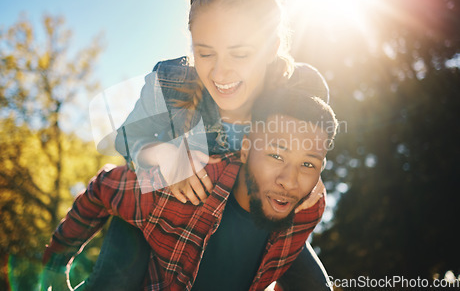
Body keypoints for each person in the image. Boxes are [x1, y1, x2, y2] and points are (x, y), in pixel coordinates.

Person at [43, 0, 332, 290]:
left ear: (271, 48)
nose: (221, 73)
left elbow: (313, 144)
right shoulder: (170, 81)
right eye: (206, 54)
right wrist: (163, 154)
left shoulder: (300, 88)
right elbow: (128, 139)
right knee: (118, 278)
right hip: (163, 215)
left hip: (254, 220)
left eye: (240, 54)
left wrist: (310, 176)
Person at [42, 89, 338, 290]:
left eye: (309, 165)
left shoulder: (307, 209)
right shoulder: (184, 188)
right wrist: (55, 263)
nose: (290, 180)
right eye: (276, 156)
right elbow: (104, 188)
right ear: (246, 149)